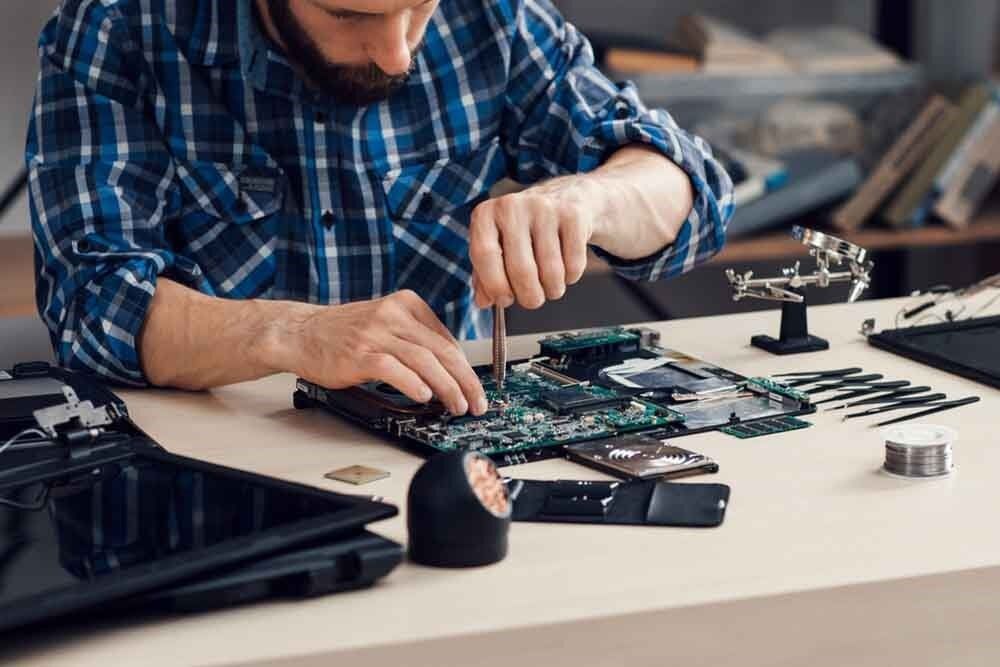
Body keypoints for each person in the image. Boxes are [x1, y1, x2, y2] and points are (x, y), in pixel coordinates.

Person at [27, 0, 733, 417]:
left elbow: (695, 194)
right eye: (351, 14)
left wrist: (591, 195)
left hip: (437, 452)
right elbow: (92, 305)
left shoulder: (492, 15)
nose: (396, 55)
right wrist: (291, 333)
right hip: (214, 457)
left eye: (417, 8)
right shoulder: (120, 25)